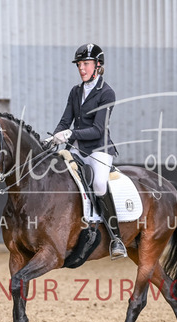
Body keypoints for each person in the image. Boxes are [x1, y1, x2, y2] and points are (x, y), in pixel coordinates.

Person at [48, 43, 126, 260]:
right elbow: (65, 121)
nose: (81, 68)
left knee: (99, 183)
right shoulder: (75, 91)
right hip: (76, 148)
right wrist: (54, 137)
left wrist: (69, 134)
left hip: (99, 149)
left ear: (98, 65)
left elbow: (98, 129)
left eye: (86, 64)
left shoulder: (107, 93)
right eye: (79, 64)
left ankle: (116, 238)